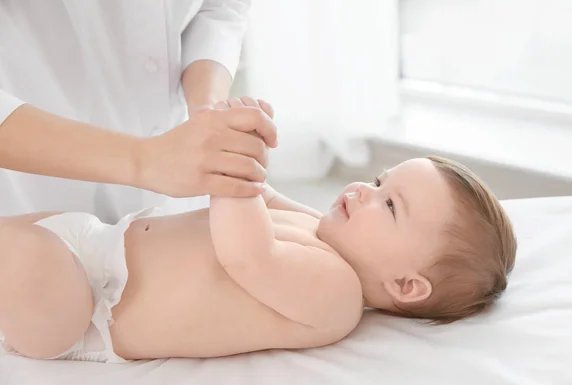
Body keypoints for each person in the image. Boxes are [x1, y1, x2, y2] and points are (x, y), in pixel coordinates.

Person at [0, 100, 517, 362]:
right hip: (91, 243)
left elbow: (247, 256)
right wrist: (243, 140)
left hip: (88, 314)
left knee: (25, 259)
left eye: (389, 204)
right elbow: (263, 195)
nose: (363, 189)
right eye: (380, 179)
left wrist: (233, 172)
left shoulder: (334, 297)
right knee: (23, 240)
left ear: (406, 286)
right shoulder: (318, 230)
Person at [0, 1, 269, 223]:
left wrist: (208, 112)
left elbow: (218, 9)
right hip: (26, 192)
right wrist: (145, 159)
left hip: (171, 202)